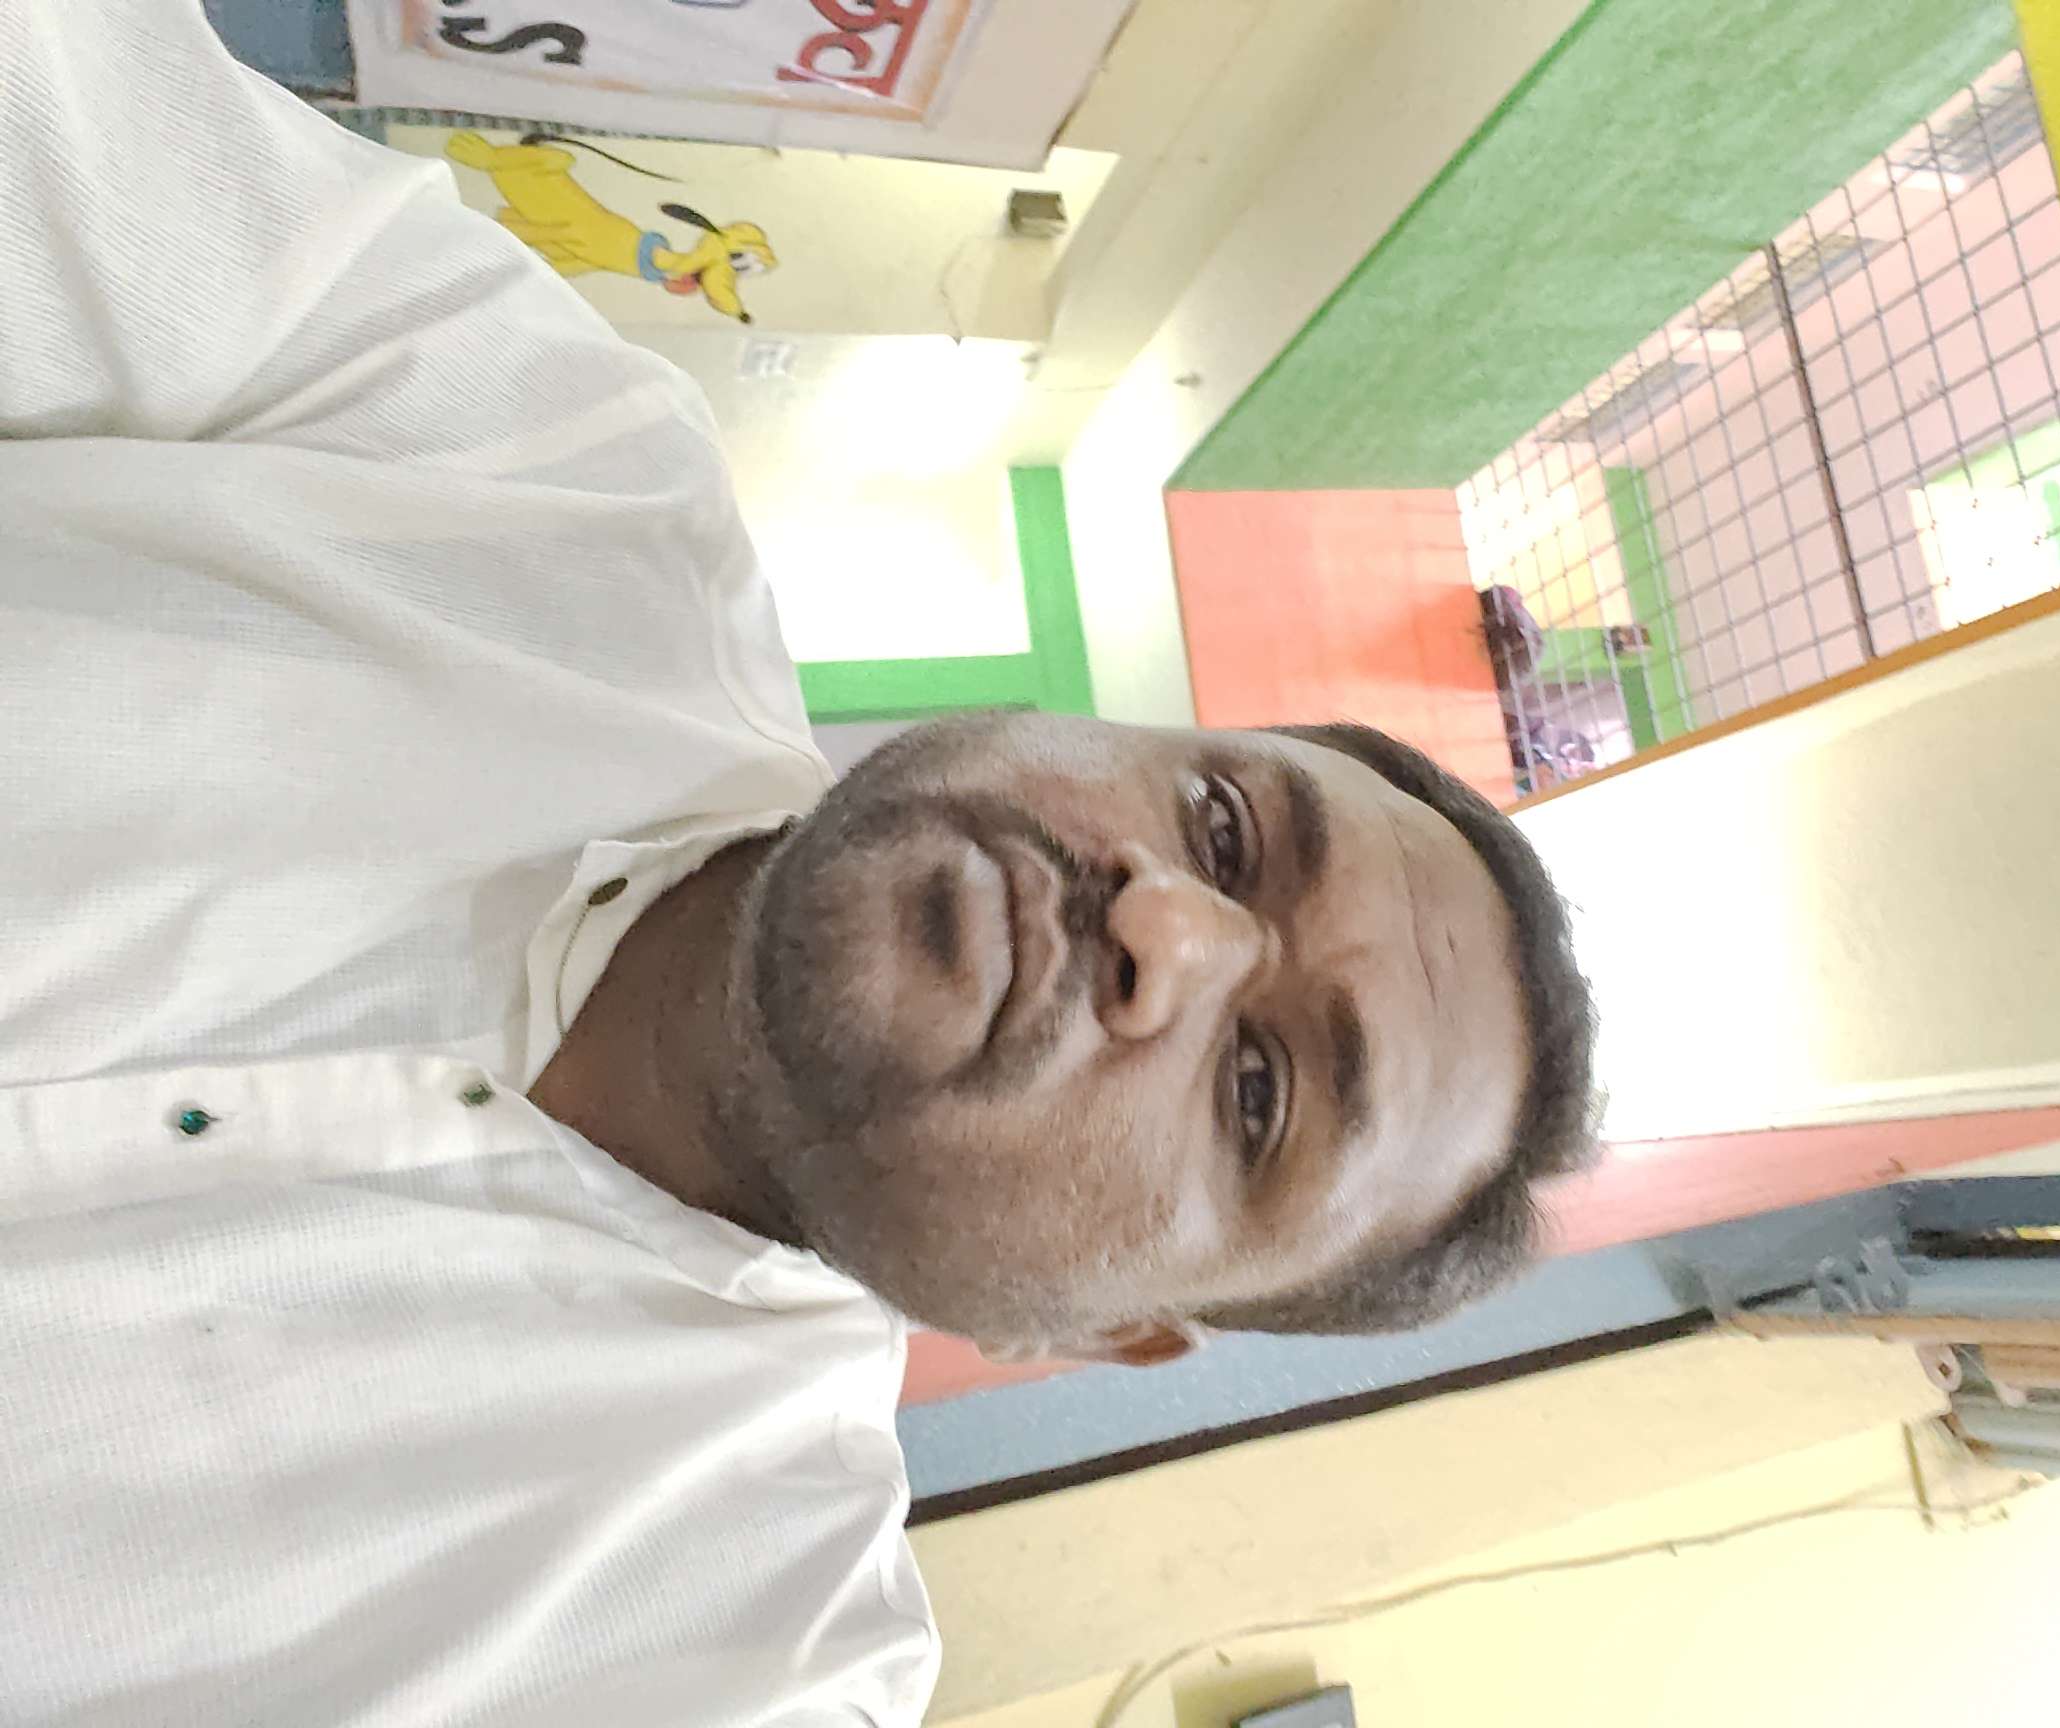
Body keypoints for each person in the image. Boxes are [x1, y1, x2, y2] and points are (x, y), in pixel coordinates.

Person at [0, 3, 1597, 1723]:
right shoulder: (547, 467)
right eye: (1224, 829)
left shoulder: (743, 1669)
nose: (1170, 929)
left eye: (1260, 1094)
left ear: (1109, 1332)